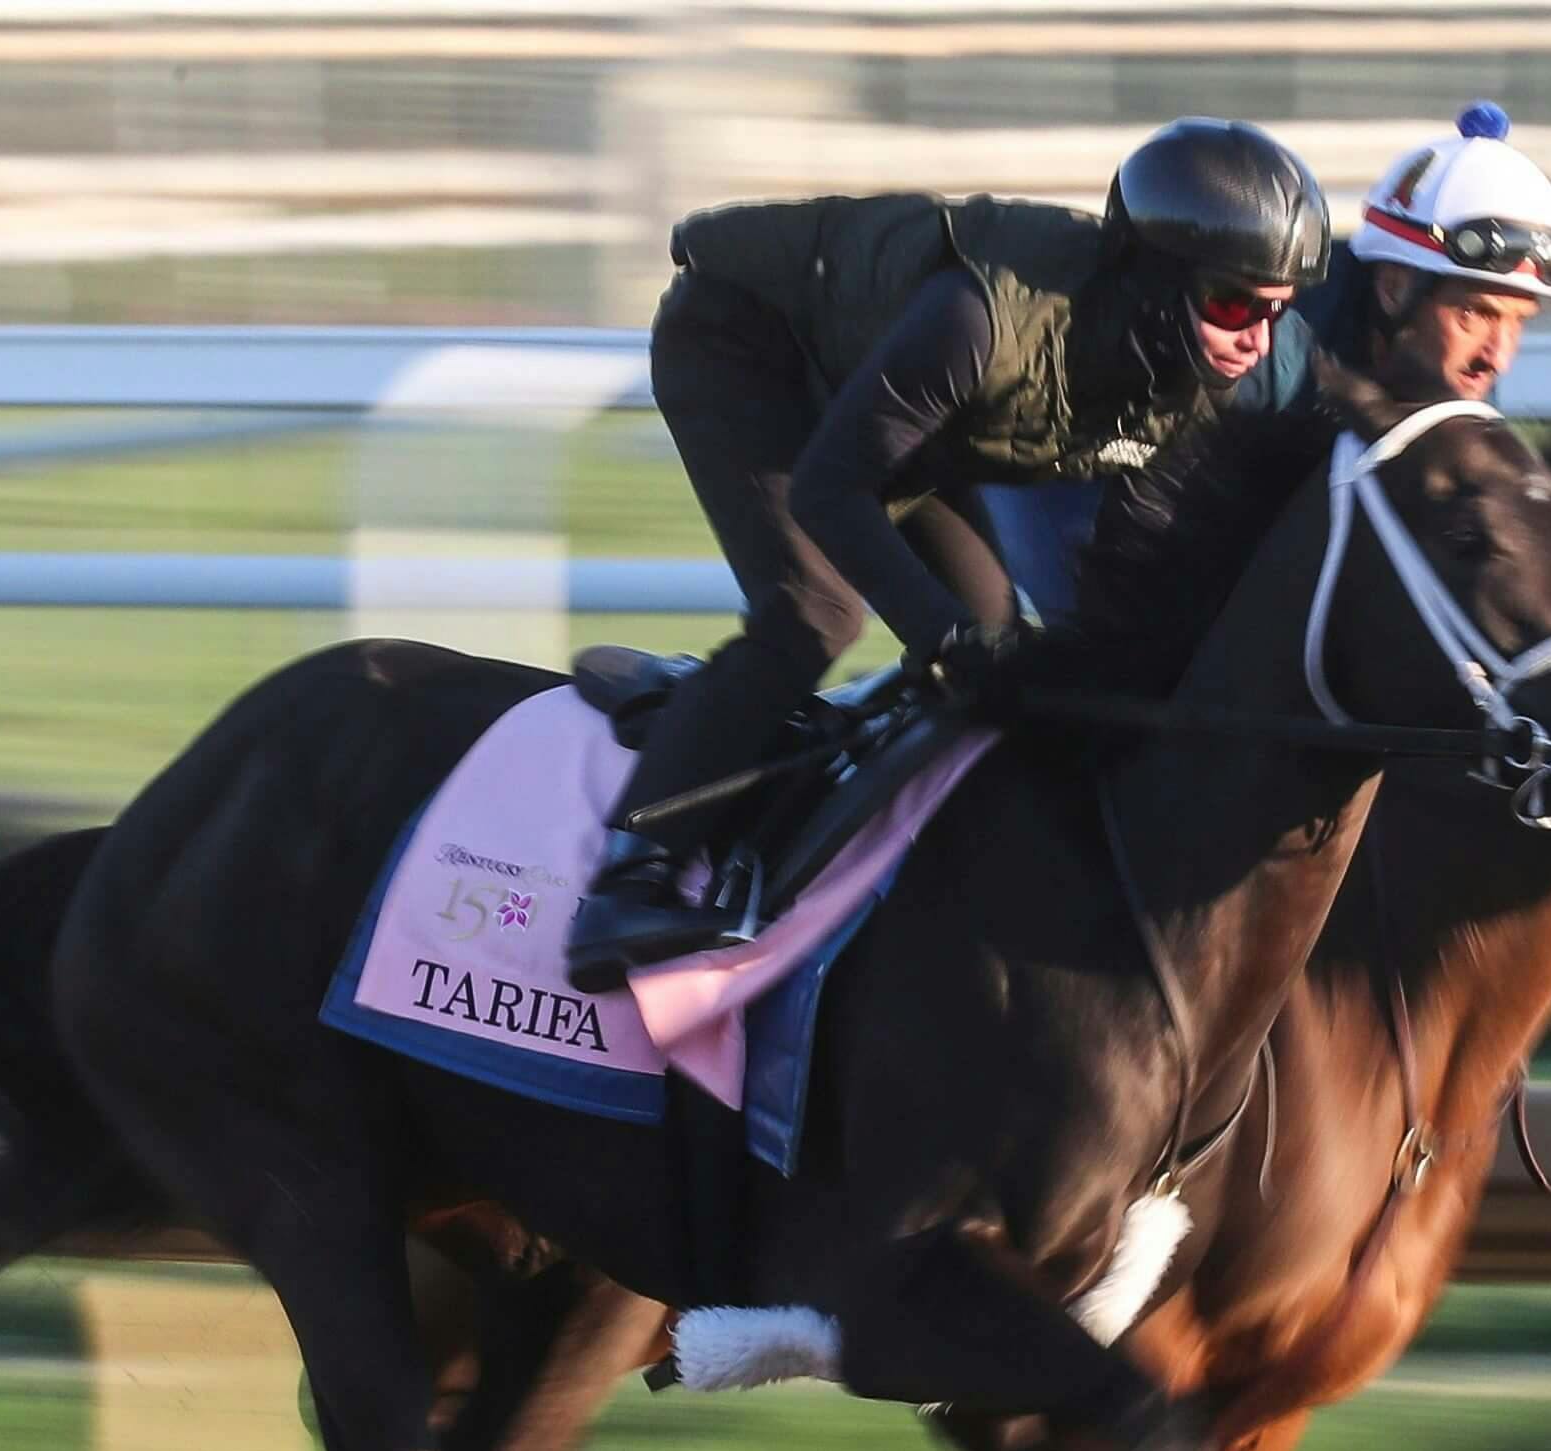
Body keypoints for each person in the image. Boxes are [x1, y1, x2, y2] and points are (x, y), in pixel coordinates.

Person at [563, 119, 1331, 993]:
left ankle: (776, 757)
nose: (1258, 339)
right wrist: (945, 638)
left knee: (1000, 633)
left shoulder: (1194, 373)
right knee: (817, 616)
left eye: (1279, 309)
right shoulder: (983, 317)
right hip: (750, 349)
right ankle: (633, 872)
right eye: (1235, 305)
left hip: (907, 419)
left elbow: (1132, 579)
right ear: (1157, 281)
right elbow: (828, 489)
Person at [992, 103, 1551, 617]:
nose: (1497, 355)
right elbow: (1169, 542)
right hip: (1067, 477)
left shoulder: (1456, 374)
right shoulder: (1271, 344)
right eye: (1475, 314)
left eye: (1518, 322)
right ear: (1395, 288)